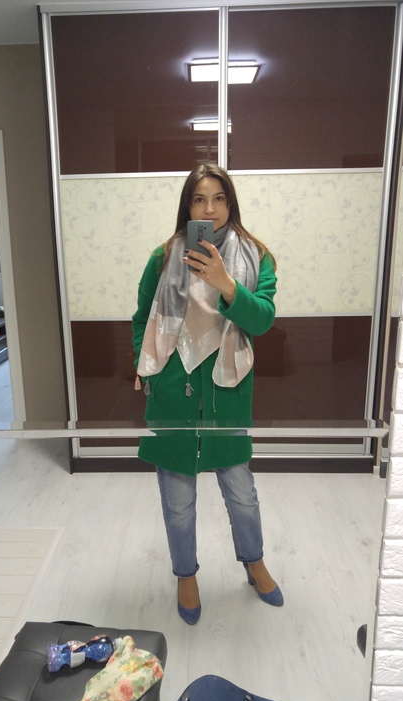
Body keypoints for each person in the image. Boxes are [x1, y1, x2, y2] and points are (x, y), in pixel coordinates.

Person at [132, 162, 282, 625]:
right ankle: (186, 575)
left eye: (219, 198)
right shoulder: (163, 257)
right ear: (188, 207)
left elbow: (262, 320)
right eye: (199, 199)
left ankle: (254, 562)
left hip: (225, 392)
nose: (210, 209)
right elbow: (142, 317)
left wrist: (225, 283)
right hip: (173, 392)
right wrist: (146, 366)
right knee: (178, 502)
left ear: (230, 203)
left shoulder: (257, 256)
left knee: (242, 494)